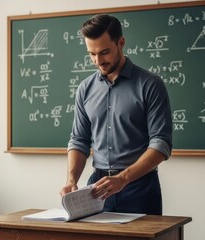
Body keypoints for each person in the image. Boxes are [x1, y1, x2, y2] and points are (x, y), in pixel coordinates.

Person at [59, 14, 173, 215]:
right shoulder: (85, 89)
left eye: (104, 52)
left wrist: (123, 178)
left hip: (140, 188)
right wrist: (71, 180)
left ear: (121, 43)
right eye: (91, 54)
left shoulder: (150, 85)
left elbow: (161, 144)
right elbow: (79, 140)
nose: (98, 61)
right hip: (96, 190)